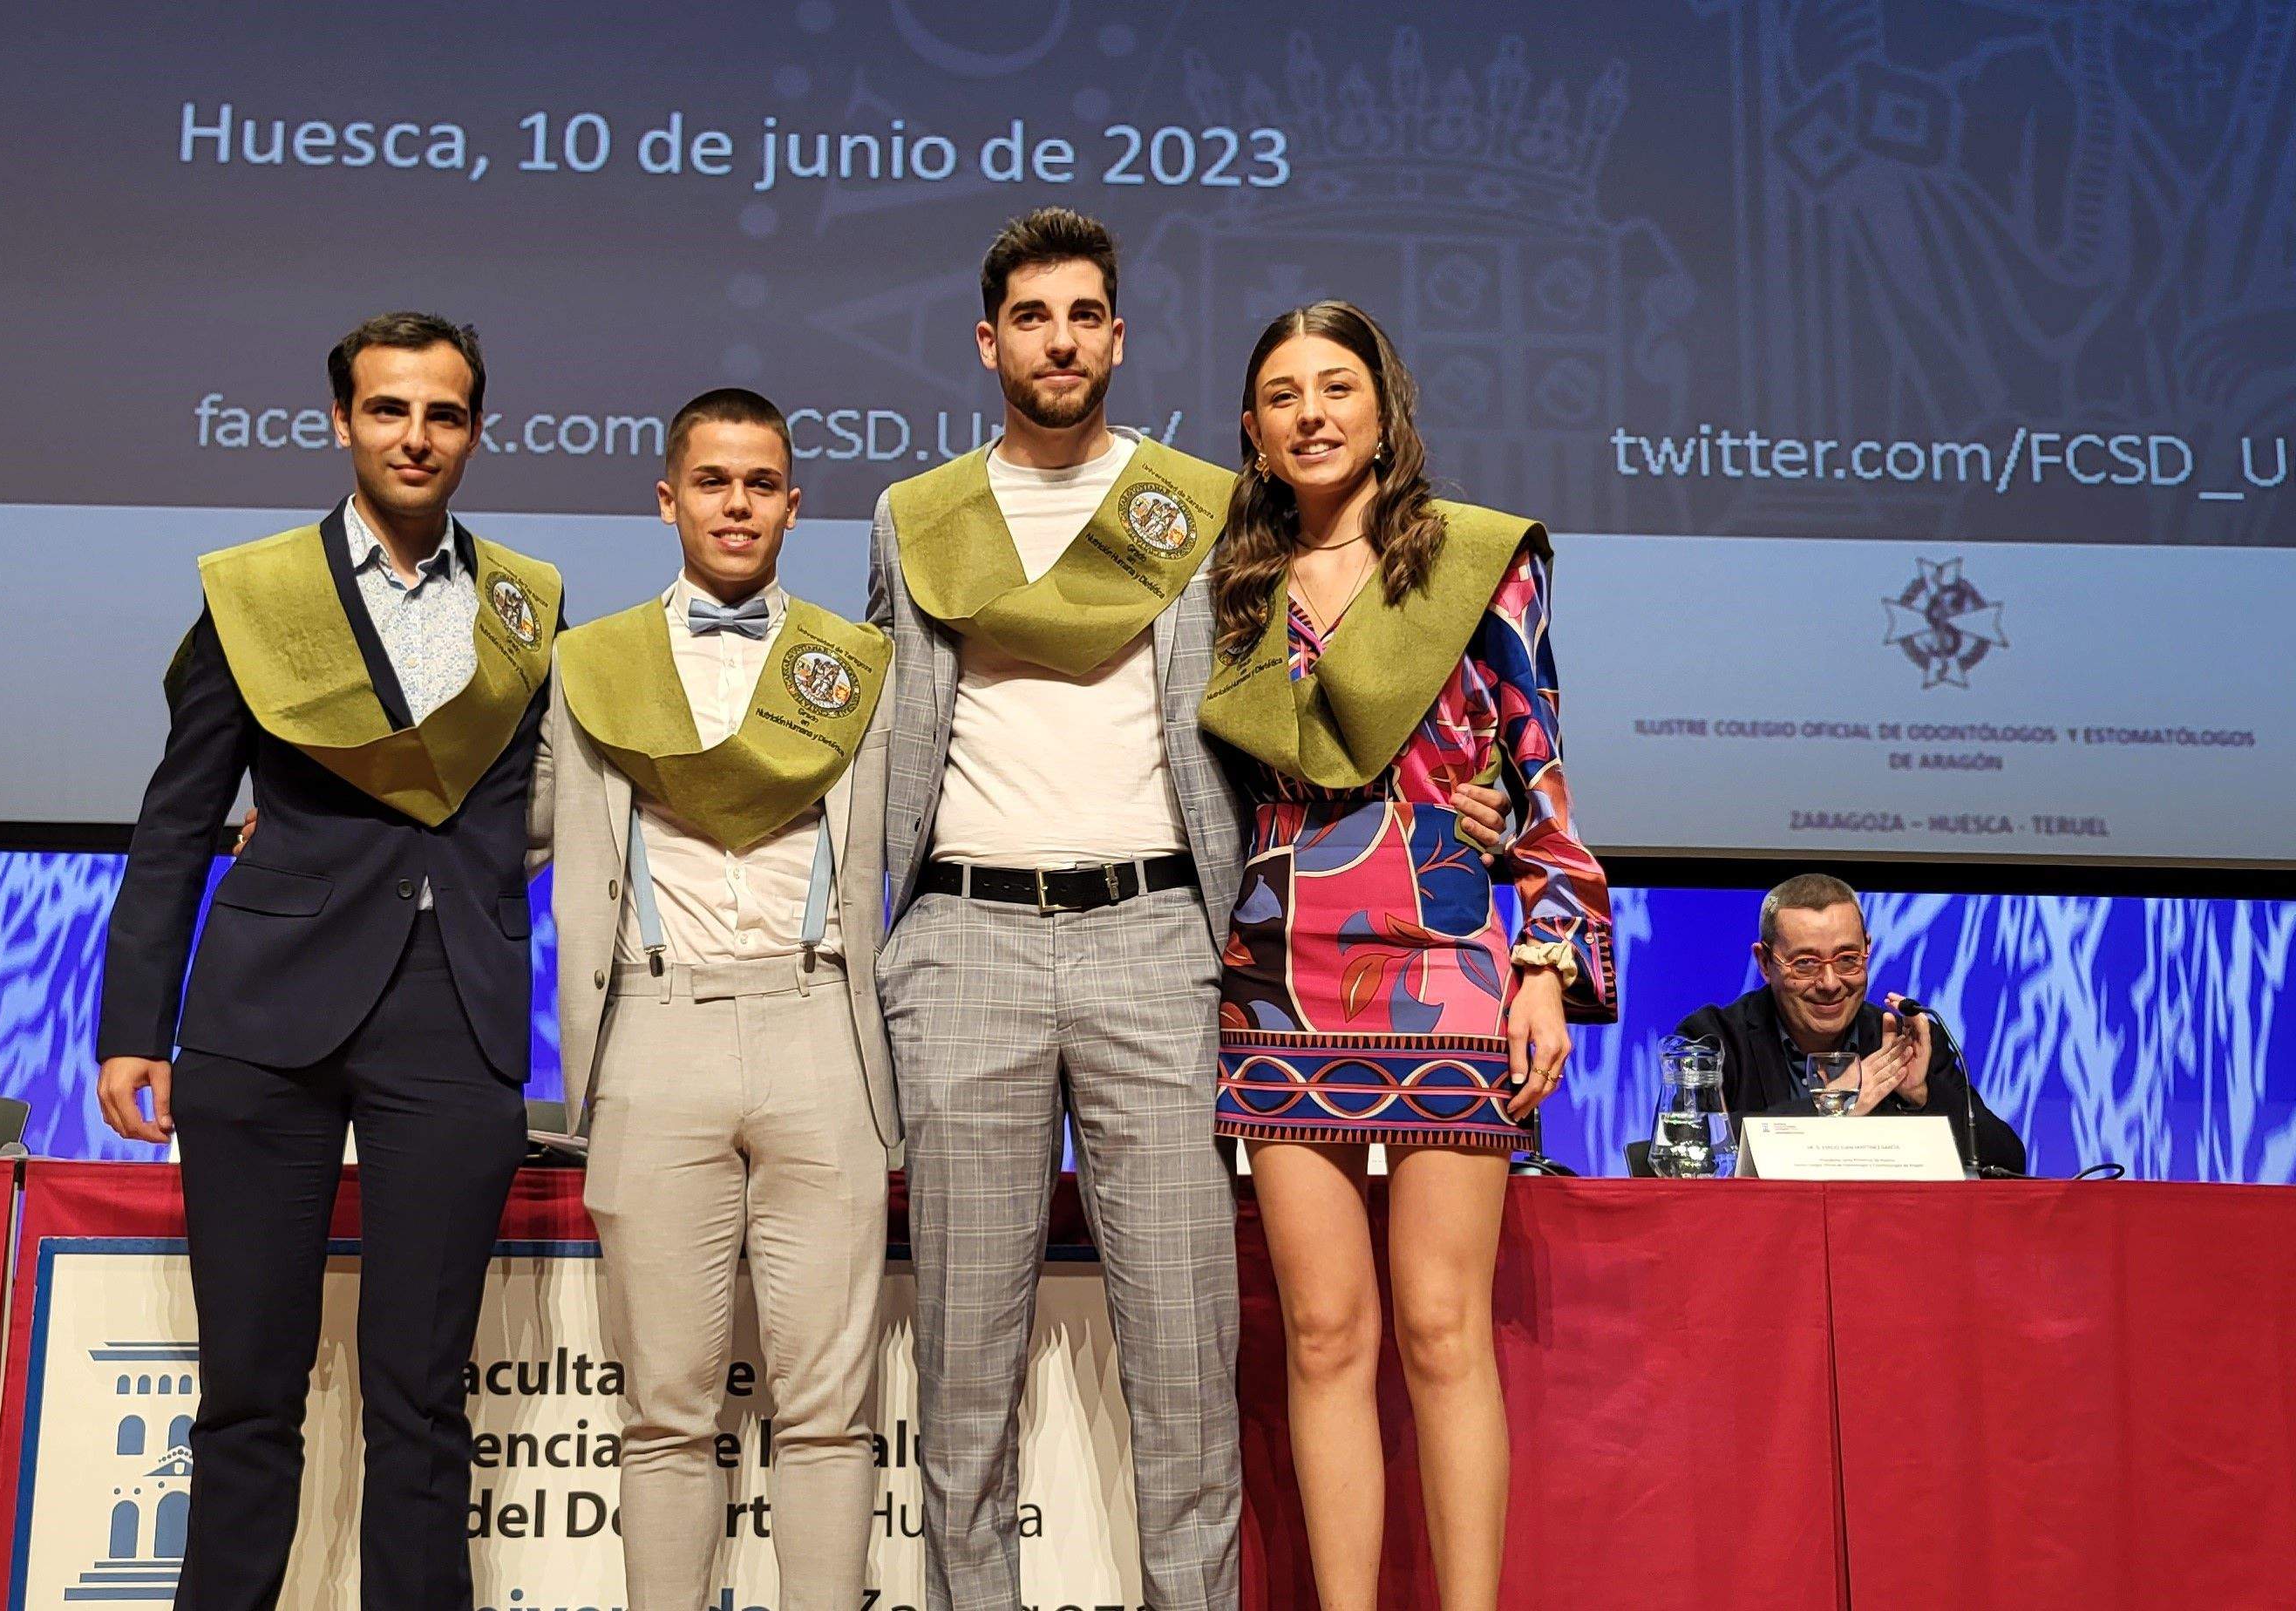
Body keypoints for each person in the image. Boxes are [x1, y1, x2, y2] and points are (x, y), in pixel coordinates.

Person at [93, 311, 560, 1610]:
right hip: (262, 1018)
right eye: (390, 409)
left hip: (453, 1014)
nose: (417, 436)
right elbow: (178, 819)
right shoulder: (255, 594)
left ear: (474, 430)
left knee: (422, 1400)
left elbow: (534, 808)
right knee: (248, 1390)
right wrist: (134, 1020)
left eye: (444, 413)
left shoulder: (530, 600)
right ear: (341, 423)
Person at [866, 205, 1258, 1611]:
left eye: (1084, 313)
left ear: (1118, 335)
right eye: (1032, 317)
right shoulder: (916, 516)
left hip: (1157, 939)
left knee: (1185, 1345)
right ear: (988, 342)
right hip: (965, 938)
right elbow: (879, 745)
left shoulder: (1195, 507)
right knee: (965, 1355)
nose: (1059, 339)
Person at [1199, 301, 1617, 1610]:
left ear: (1385, 411)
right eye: (1281, 395)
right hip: (1272, 964)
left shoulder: (1479, 563)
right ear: (1253, 433)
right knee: (1323, 1333)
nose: (1311, 413)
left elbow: (1539, 771)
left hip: (1441, 952)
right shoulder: (1222, 585)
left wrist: (1543, 960)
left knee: (1441, 1329)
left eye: (1336, 387)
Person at [534, 388, 895, 1611]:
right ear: (667, 499)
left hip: (822, 1029)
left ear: (795, 506)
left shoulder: (857, 668)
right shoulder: (592, 666)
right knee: (662, 1412)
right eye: (711, 482)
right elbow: (499, 816)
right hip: (655, 1031)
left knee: (830, 1413)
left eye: (759, 484)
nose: (735, 504)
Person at [1674, 873, 2026, 1174]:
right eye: (1806, 963)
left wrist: (1923, 1097)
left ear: (1867, 949)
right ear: (1765, 963)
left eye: (1847, 960)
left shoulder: (1904, 1042)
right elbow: (1687, 1153)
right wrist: (1829, 1108)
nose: (1830, 983)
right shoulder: (1714, 1040)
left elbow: (2008, 1161)